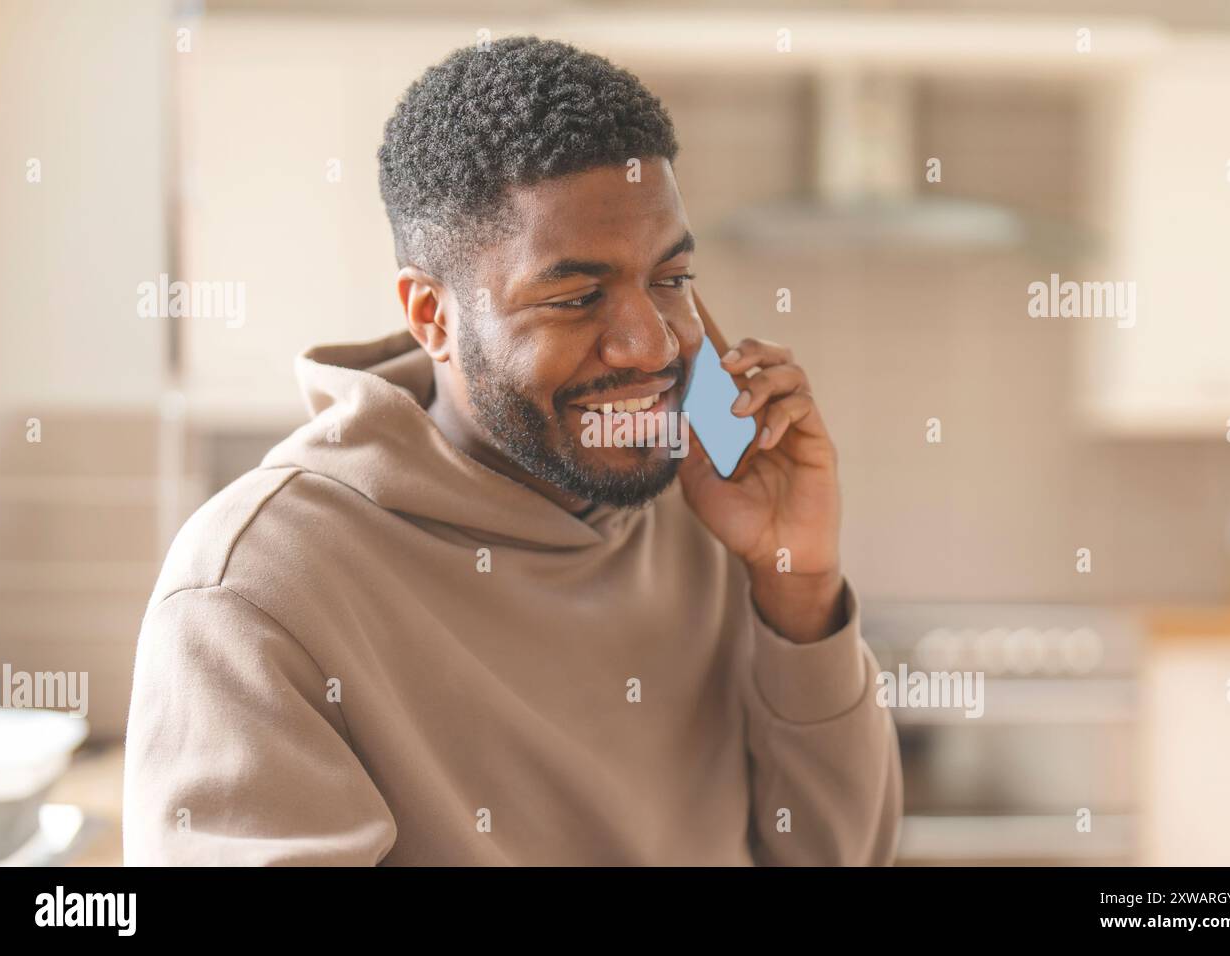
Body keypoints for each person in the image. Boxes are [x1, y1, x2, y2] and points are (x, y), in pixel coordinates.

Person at [123, 36, 901, 865]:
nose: (650, 345)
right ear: (432, 316)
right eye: (575, 296)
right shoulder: (256, 589)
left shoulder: (707, 504)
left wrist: (799, 587)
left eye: (670, 280)